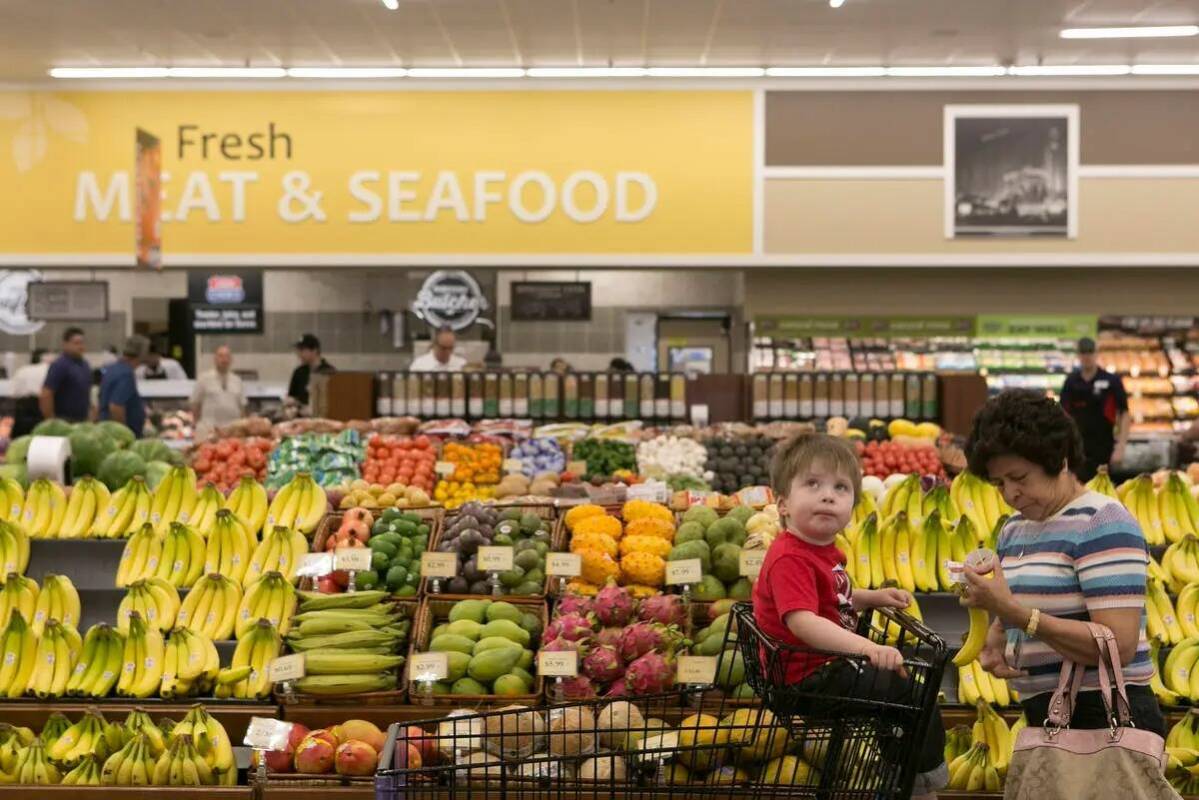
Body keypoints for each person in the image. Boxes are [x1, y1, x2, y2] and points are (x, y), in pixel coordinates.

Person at [962, 390, 1161, 749]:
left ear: (1059, 459)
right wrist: (996, 637)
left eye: (1020, 477)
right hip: (1048, 715)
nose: (1011, 494)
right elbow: (1021, 610)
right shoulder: (1013, 529)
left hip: (1104, 716)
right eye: (999, 483)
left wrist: (1014, 614)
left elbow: (1120, 644)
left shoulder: (1103, 522)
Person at [752, 433, 946, 799]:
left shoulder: (821, 550)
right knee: (912, 692)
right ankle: (921, 782)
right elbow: (804, 621)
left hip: (822, 666)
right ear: (782, 504)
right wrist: (866, 647)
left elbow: (832, 598)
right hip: (807, 676)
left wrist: (870, 596)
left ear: (853, 505)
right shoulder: (790, 557)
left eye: (841, 488)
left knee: (905, 686)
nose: (828, 495)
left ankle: (900, 772)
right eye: (813, 484)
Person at [1060, 336, 1129, 481]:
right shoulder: (1071, 381)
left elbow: (1124, 414)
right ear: (1078, 354)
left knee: (1103, 490)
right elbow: (1062, 415)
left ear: (1096, 353)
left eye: (1090, 352)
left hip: (1104, 448)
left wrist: (1121, 446)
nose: (1087, 356)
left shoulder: (1112, 381)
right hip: (1077, 449)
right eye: (1083, 352)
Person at [191, 346, 245, 440]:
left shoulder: (237, 380)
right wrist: (199, 425)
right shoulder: (204, 379)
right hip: (208, 431)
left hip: (232, 433)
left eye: (227, 356)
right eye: (221, 356)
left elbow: (242, 408)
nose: (224, 359)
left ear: (231, 360)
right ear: (215, 359)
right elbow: (195, 404)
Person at [99, 335, 149, 437]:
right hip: (118, 436)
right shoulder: (126, 374)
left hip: (107, 430)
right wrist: (124, 435)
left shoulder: (112, 369)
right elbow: (116, 406)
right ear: (142, 354)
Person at [40, 328, 92, 423]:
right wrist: (51, 420)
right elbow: (46, 393)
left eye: (82, 343)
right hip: (63, 420)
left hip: (82, 419)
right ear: (65, 344)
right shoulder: (60, 365)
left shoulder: (85, 365)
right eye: (76, 343)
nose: (81, 346)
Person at [12, 349, 51, 437]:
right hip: (40, 406)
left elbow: (13, 393)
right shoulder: (48, 369)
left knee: (21, 438)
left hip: (22, 407)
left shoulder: (22, 370)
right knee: (40, 438)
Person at [287, 334, 333, 407]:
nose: (299, 354)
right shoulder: (298, 372)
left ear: (314, 350)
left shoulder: (329, 372)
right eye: (298, 351)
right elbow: (291, 396)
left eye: (302, 350)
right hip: (300, 417)